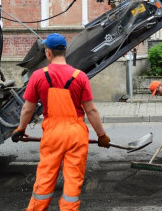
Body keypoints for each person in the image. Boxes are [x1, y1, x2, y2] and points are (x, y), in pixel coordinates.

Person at [11, 33, 111, 211]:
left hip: (52, 133)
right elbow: (91, 110)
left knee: (45, 177)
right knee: (73, 181)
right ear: (64, 52)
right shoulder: (79, 76)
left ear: (48, 53)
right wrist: (102, 135)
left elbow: (27, 109)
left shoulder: (37, 76)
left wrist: (20, 129)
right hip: (76, 133)